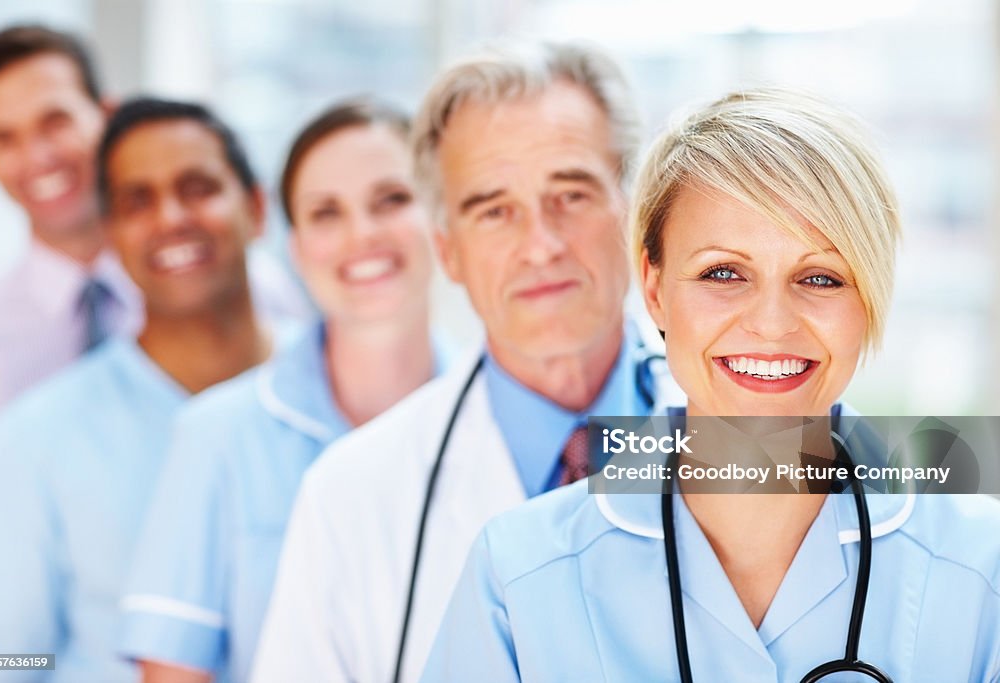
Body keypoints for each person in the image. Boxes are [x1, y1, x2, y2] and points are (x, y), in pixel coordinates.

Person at [419, 88, 1000, 682]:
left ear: (871, 299)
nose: (772, 324)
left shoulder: (982, 569)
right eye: (723, 273)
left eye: (821, 277)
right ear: (653, 288)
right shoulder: (520, 576)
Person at [251, 42, 682, 683]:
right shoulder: (348, 495)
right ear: (448, 250)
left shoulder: (778, 451)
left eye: (571, 194)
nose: (540, 245)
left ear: (635, 215)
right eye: (495, 211)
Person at [118, 97, 445, 683]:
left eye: (391, 200)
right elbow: (172, 670)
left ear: (442, 219)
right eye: (326, 213)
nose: (362, 234)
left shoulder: (500, 410)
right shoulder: (214, 437)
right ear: (295, 248)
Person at [0, 97, 281, 682]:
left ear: (257, 207)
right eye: (137, 201)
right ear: (112, 233)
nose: (170, 218)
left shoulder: (336, 388)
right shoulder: (33, 440)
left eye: (197, 187)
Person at [0, 24, 309, 435]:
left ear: (105, 114)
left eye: (55, 121)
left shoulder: (249, 288)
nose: (37, 157)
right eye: (3, 138)